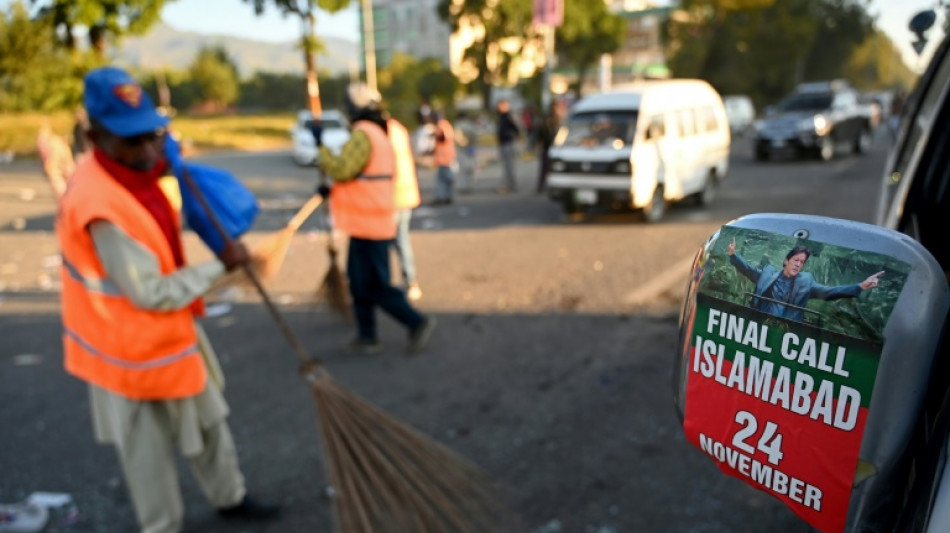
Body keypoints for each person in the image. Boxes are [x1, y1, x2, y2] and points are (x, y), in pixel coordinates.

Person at [56, 67, 280, 533]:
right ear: (94, 135)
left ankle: (230, 498)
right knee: (149, 457)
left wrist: (168, 159)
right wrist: (224, 264)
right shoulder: (97, 203)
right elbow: (150, 291)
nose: (147, 150)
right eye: (132, 141)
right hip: (125, 353)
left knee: (210, 424)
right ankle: (163, 526)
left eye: (153, 135)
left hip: (173, 337)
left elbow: (158, 174)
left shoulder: (141, 172)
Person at [316, 83, 437, 355]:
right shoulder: (382, 131)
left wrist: (321, 150)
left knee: (374, 284)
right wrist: (331, 189)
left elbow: (343, 167)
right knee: (360, 283)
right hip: (369, 219)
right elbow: (362, 176)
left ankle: (416, 322)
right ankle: (367, 335)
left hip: (369, 221)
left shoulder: (364, 134)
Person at [726, 237, 884, 322]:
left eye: (802, 262)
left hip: (787, 334)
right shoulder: (768, 274)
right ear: (786, 261)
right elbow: (747, 268)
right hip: (758, 324)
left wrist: (860, 286)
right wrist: (733, 255)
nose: (798, 264)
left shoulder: (805, 283)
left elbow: (829, 292)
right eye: (795, 260)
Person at [387, 114, 424, 301]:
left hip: (392, 196)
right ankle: (410, 281)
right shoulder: (398, 128)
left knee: (390, 242)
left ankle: (404, 282)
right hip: (405, 193)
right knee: (401, 239)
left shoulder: (381, 131)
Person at [36, 123, 75, 200]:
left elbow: (51, 158)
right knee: (69, 184)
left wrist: (49, 167)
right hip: (64, 165)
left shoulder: (50, 142)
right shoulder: (57, 141)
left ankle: (66, 199)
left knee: (60, 187)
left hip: (57, 166)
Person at [535, 100, 564, 194]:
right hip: (548, 146)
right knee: (545, 168)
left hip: (558, 148)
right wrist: (540, 144)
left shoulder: (561, 119)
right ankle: (541, 187)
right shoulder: (548, 119)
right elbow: (542, 132)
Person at [431, 110, 457, 206]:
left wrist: (435, 135)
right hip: (448, 156)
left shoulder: (441, 125)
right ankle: (448, 196)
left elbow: (442, 138)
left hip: (444, 158)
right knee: (448, 179)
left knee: (442, 179)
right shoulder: (446, 125)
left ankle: (441, 197)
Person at [496, 99, 521, 193]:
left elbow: (516, 128)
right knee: (506, 165)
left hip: (508, 142)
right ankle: (509, 184)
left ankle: (510, 185)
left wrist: (516, 137)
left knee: (509, 165)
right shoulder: (501, 116)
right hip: (503, 143)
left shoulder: (509, 116)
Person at [455, 111, 478, 194]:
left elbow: (457, 138)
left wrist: (463, 143)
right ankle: (470, 185)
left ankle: (463, 186)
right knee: (471, 167)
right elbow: (475, 135)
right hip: (470, 147)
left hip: (461, 148)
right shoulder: (470, 124)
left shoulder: (458, 125)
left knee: (463, 168)